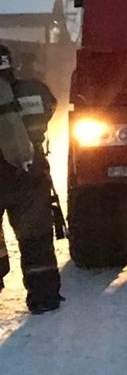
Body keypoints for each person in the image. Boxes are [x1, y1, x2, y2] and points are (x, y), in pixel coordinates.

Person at [0, 45, 62, 314]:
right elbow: (51, 107)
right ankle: (44, 297)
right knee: (36, 238)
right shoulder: (34, 89)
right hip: (30, 173)